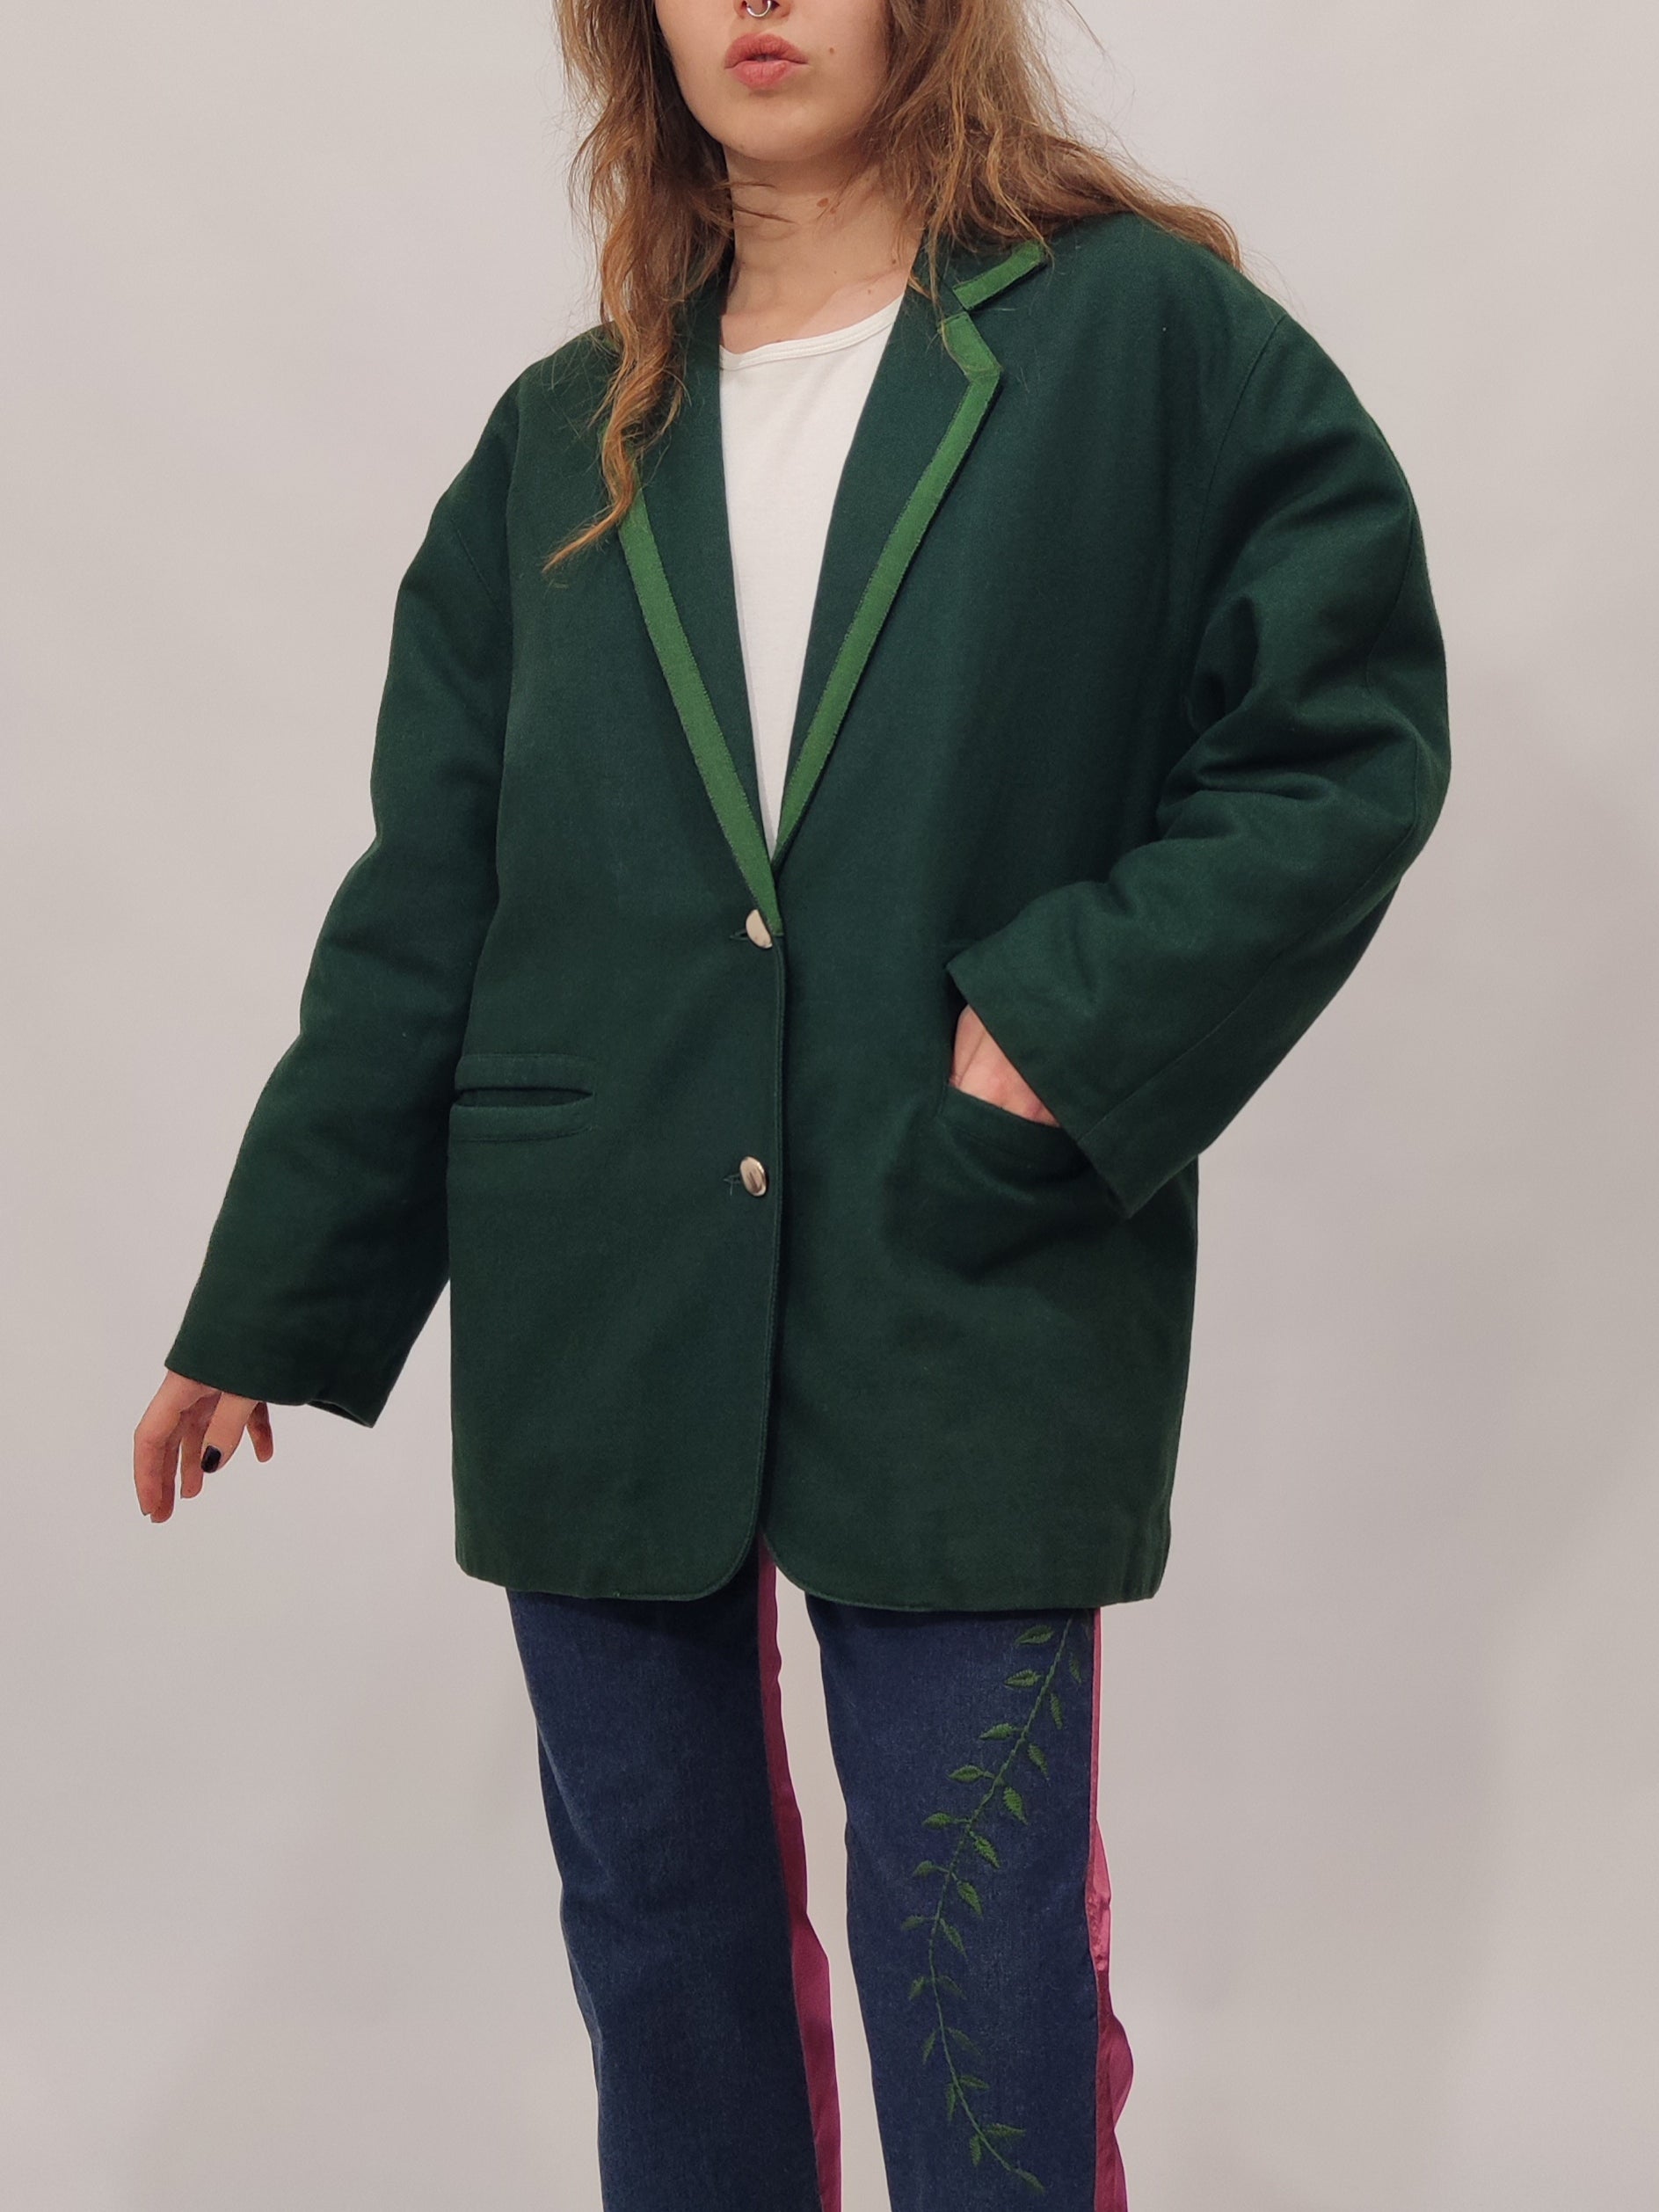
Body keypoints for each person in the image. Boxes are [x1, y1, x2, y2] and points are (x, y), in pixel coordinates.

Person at [132, 1, 1451, 2205]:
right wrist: (268, 1297)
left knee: (977, 1971)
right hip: (594, 1284)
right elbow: (426, 907)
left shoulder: (1134, 342)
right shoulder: (557, 444)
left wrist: (1060, 1030)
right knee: (665, 1967)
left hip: (960, 1253)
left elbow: (1341, 736)